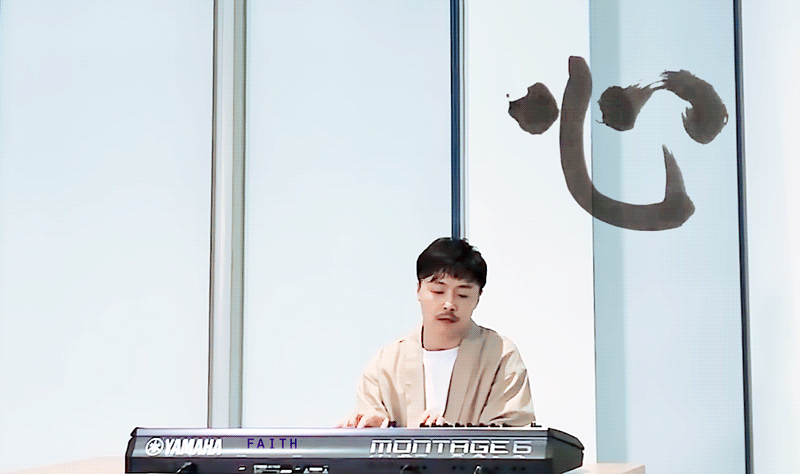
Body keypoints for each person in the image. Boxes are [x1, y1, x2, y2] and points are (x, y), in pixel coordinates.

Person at [339, 237, 535, 428]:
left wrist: (450, 437)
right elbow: (369, 422)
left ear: (478, 297)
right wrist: (374, 427)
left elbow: (513, 434)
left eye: (463, 294)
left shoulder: (500, 355)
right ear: (419, 289)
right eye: (438, 291)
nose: (449, 304)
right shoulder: (386, 363)